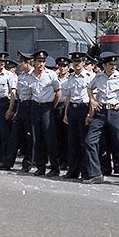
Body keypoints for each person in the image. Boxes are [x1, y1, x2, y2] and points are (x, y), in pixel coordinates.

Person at [84, 51, 119, 185]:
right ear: (104, 65)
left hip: (115, 112)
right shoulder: (98, 77)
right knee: (89, 141)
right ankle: (96, 173)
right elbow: (89, 88)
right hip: (101, 111)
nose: (113, 67)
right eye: (110, 64)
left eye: (115, 64)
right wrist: (92, 99)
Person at [0, 51, 34, 172]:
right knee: (14, 136)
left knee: (30, 137)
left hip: (31, 107)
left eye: (21, 62)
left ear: (28, 62)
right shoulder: (21, 76)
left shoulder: (34, 75)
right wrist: (16, 111)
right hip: (21, 107)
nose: (19, 65)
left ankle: (27, 164)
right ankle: (7, 162)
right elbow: (19, 95)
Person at [27, 50, 61, 177]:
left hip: (47, 107)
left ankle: (54, 168)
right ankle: (40, 167)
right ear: (34, 62)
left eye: (43, 61)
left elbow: (58, 93)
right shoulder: (30, 76)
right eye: (38, 61)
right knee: (37, 138)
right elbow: (29, 93)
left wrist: (52, 106)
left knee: (50, 138)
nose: (41, 64)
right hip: (36, 106)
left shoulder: (51, 74)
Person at [61, 52, 94, 180]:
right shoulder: (71, 77)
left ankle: (86, 172)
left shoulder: (90, 76)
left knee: (84, 142)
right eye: (74, 61)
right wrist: (65, 113)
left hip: (84, 108)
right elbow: (69, 96)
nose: (76, 64)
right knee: (72, 142)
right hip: (72, 109)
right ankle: (73, 171)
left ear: (84, 62)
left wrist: (90, 114)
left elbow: (93, 97)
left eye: (79, 61)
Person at [54, 56, 71, 172]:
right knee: (57, 136)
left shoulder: (70, 79)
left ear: (68, 68)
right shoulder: (54, 79)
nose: (62, 68)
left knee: (67, 137)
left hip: (67, 107)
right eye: (60, 66)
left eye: (64, 66)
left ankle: (66, 161)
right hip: (56, 106)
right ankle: (59, 160)